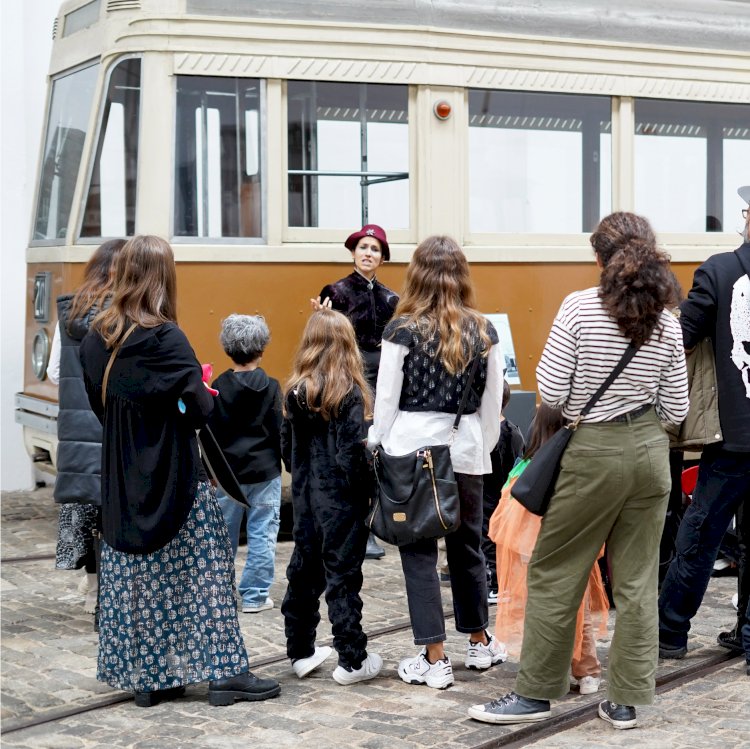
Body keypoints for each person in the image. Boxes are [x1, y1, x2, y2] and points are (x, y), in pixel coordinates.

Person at [468, 212, 688, 729]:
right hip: (651, 454)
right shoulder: (669, 319)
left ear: (599, 258)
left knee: (554, 570)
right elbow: (677, 408)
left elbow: (554, 393)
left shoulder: (580, 308)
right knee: (636, 581)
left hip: (592, 453)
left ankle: (535, 692)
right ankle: (628, 701)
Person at [79, 235, 280, 707]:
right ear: (163, 277)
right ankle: (225, 675)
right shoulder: (165, 337)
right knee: (204, 572)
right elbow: (199, 410)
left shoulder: (94, 339)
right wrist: (202, 394)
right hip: (174, 474)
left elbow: (100, 405)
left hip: (122, 477)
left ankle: (153, 678)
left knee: (141, 576)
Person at [367, 235, 506, 689]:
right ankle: (481, 643)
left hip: (410, 448)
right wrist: (481, 447)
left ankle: (434, 657)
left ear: (416, 274)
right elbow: (491, 405)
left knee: (418, 555)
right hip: (463, 448)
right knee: (468, 549)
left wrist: (378, 442)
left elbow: (385, 399)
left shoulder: (401, 329)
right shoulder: (484, 330)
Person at [658, 186, 750, 660]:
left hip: (733, 434)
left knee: (700, 534)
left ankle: (670, 632)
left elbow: (679, 338)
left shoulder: (717, 271)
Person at [280, 308, 382, 685]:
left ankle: (301, 651)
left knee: (303, 574)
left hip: (306, 498)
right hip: (340, 502)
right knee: (342, 578)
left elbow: (286, 449)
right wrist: (366, 489)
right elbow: (350, 456)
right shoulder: (349, 393)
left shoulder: (294, 393)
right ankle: (352, 659)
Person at [489, 404, 609, 693]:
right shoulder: (579, 470)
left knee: (540, 614)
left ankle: (548, 671)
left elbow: (504, 523)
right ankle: (587, 671)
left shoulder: (525, 471)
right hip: (574, 551)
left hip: (532, 555)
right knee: (579, 612)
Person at [47, 238, 125, 619]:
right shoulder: (127, 313)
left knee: (89, 512)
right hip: (116, 425)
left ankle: (94, 592)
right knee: (117, 509)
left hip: (78, 427)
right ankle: (117, 593)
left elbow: (55, 372)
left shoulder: (69, 311)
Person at [312, 223, 399, 560]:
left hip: (384, 379)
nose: (368, 253)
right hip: (348, 377)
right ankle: (354, 524)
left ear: (382, 258)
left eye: (375, 249)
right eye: (363, 247)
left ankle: (376, 522)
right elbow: (326, 341)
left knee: (378, 449)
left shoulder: (392, 297)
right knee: (353, 447)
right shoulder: (335, 291)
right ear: (353, 252)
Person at [208, 314, 282, 614]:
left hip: (228, 475)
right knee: (262, 533)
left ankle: (222, 594)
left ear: (227, 348)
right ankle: (254, 596)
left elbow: (211, 434)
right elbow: (278, 430)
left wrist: (210, 470)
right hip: (264, 472)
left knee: (223, 535)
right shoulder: (272, 386)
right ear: (262, 349)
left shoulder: (219, 386)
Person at [482, 380, 526, 604]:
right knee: (502, 539)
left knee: (489, 539)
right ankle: (505, 582)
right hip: (506, 495)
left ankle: (498, 585)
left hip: (488, 496)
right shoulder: (514, 430)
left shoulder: (486, 434)